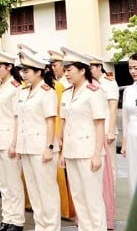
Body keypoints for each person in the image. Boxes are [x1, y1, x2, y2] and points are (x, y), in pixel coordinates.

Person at [58, 46, 107, 231]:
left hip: (88, 151)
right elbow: (66, 124)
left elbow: (99, 124)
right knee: (78, 198)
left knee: (92, 199)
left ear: (82, 70)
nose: (67, 73)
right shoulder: (67, 93)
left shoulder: (93, 92)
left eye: (70, 69)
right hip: (71, 151)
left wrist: (96, 154)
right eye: (65, 69)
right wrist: (63, 152)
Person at [15, 49, 61, 231]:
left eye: (26, 71)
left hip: (42, 148)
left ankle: (51, 227)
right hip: (27, 147)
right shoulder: (24, 92)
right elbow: (21, 120)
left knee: (47, 191)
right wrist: (19, 145)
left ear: (39, 72)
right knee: (34, 192)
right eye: (22, 71)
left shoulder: (46, 92)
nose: (23, 74)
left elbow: (51, 121)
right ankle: (40, 226)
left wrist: (49, 147)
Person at [0, 49, 25, 231]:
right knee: (3, 183)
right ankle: (7, 218)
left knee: (13, 183)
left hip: (9, 140)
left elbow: (18, 117)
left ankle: (17, 220)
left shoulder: (16, 87)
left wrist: (15, 143)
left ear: (9, 67)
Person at [43, 48, 76, 221]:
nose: (53, 68)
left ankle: (66, 209)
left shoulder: (62, 85)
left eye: (55, 65)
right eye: (51, 65)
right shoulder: (54, 84)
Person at [89, 55, 118, 229]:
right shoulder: (92, 84)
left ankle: (110, 205)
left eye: (93, 67)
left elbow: (113, 108)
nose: (91, 70)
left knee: (111, 170)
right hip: (96, 132)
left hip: (107, 130)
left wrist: (111, 130)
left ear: (100, 67)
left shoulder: (109, 83)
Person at [123, 53, 137, 195]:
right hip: (132, 136)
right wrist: (125, 143)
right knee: (133, 172)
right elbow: (125, 119)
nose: (133, 71)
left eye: (136, 68)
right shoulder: (128, 90)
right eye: (130, 68)